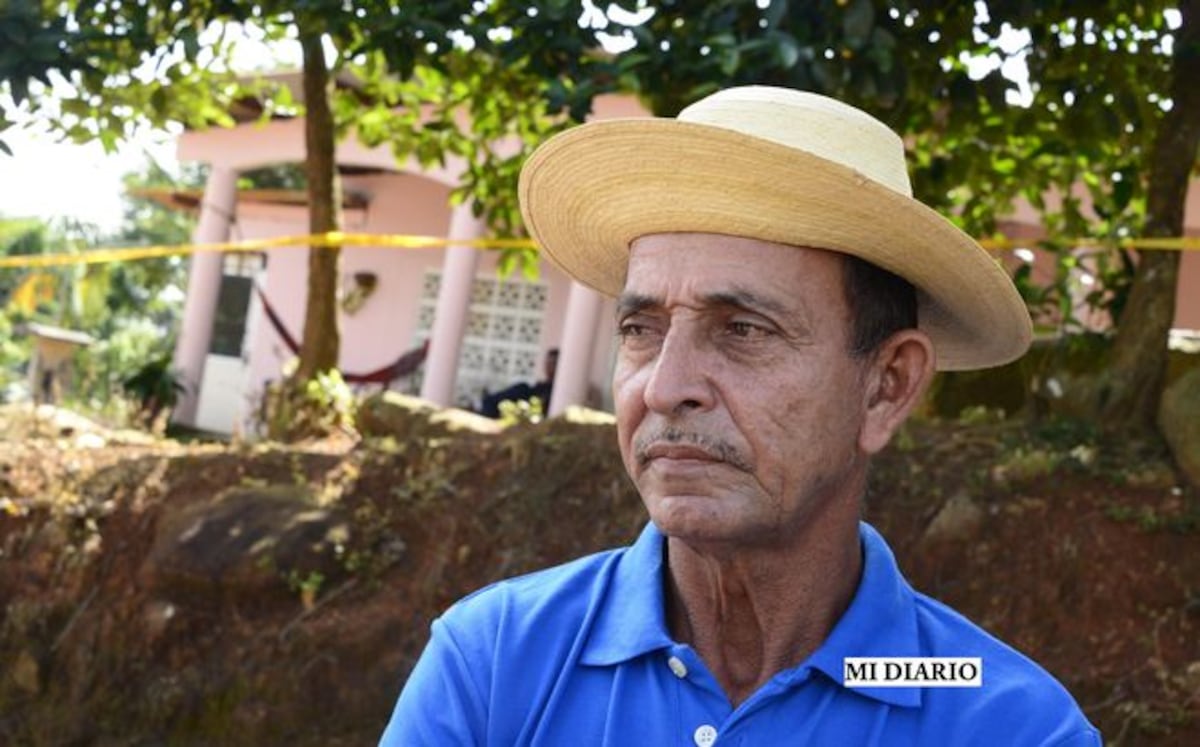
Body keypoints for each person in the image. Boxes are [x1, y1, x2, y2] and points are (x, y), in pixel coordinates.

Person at [380, 86, 1100, 745]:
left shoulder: (1007, 723)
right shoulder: (496, 663)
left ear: (887, 385)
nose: (665, 387)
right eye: (641, 329)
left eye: (744, 329)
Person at [478, 348, 559, 418]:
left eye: (552, 363)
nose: (548, 366)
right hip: (524, 401)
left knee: (522, 388)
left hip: (528, 405)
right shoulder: (542, 384)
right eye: (547, 362)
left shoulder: (557, 389)